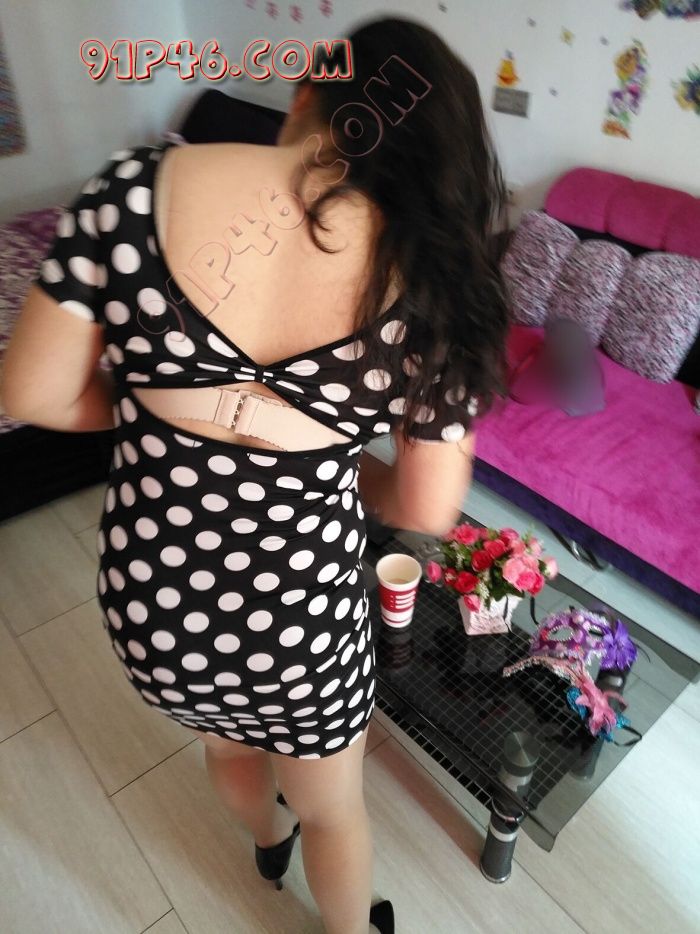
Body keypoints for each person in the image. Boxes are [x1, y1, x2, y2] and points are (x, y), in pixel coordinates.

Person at [0, 15, 509, 934]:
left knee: (229, 749)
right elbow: (428, 506)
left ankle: (268, 843)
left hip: (159, 608)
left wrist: (157, 405)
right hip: (299, 623)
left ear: (308, 90)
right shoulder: (434, 283)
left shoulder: (131, 188)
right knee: (335, 807)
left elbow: (31, 389)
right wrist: (331, 461)